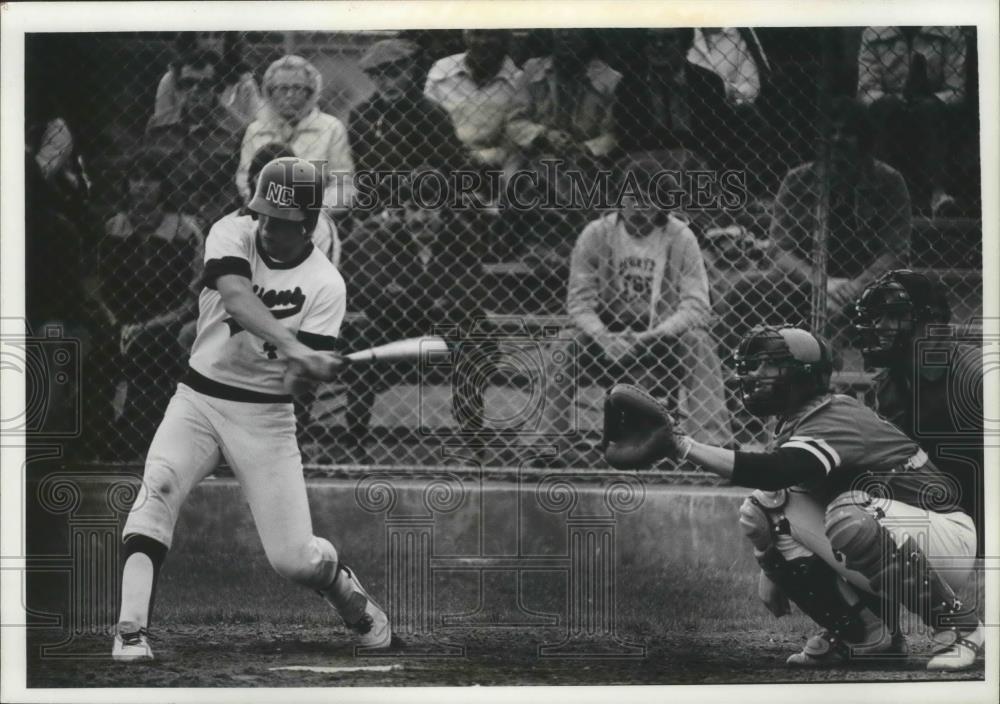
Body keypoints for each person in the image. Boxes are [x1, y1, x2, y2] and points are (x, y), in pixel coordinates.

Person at [111, 157, 391, 662]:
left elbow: (290, 383)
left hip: (266, 419)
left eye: (281, 223)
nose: (266, 227)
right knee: (159, 487)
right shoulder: (231, 231)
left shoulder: (326, 284)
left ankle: (345, 589)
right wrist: (296, 344)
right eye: (262, 214)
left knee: (294, 561)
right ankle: (130, 630)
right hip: (198, 398)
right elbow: (237, 298)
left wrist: (307, 367)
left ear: (307, 224)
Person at [602, 324, 983, 671]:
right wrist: (772, 567)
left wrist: (682, 445)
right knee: (761, 511)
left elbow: (776, 469)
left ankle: (962, 626)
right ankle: (869, 638)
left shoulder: (836, 414)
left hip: (942, 534)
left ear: (804, 374)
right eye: (753, 365)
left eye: (770, 365)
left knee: (847, 516)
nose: (755, 375)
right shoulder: (797, 422)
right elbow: (773, 489)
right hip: (891, 530)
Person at [539, 156, 733, 464]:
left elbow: (696, 304)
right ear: (619, 197)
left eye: (649, 197)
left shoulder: (680, 237)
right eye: (633, 196)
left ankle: (714, 447)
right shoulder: (596, 234)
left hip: (663, 337)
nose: (640, 205)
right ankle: (547, 446)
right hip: (607, 336)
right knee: (565, 342)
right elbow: (579, 302)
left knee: (699, 341)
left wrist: (656, 334)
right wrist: (602, 336)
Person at [339, 167, 489, 459]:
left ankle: (472, 436)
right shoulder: (385, 240)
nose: (420, 219)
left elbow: (470, 298)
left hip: (447, 331)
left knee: (477, 338)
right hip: (394, 327)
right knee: (362, 338)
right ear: (402, 211)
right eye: (413, 209)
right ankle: (355, 439)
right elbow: (374, 298)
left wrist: (408, 298)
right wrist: (431, 300)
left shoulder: (462, 240)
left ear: (444, 212)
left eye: (430, 210)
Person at [853, 269, 984, 555]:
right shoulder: (890, 383)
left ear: (931, 321)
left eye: (891, 316)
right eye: (876, 316)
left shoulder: (975, 376)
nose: (879, 326)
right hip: (949, 523)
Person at [766, 96, 911, 340]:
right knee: (746, 288)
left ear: (863, 139)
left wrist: (853, 289)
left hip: (868, 289)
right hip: (804, 287)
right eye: (830, 132)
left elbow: (896, 253)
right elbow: (779, 250)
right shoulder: (797, 180)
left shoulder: (890, 182)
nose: (836, 140)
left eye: (847, 133)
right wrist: (821, 284)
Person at [91, 150, 204, 454]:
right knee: (99, 345)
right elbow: (99, 286)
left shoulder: (186, 231)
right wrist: (116, 323)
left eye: (150, 178)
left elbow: (194, 296)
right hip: (119, 320)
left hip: (168, 320)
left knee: (149, 347)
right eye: (135, 178)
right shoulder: (113, 227)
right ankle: (97, 433)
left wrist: (146, 326)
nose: (141, 186)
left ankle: (138, 436)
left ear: (164, 185)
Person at [504, 29, 622, 263]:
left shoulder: (611, 80)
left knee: (577, 177)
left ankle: (574, 247)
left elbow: (615, 133)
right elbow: (514, 121)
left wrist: (588, 147)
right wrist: (543, 134)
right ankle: (540, 245)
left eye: (575, 29)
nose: (565, 35)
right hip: (535, 156)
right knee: (537, 171)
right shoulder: (532, 71)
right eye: (560, 28)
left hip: (587, 162)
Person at [857, 26, 967, 216]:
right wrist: (890, 100)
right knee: (886, 110)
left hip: (933, 105)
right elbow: (866, 90)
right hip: (889, 105)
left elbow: (956, 90)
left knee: (929, 110)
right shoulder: (874, 32)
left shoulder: (949, 31)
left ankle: (938, 195)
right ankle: (884, 194)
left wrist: (934, 100)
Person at [349, 38, 467, 215]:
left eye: (394, 74)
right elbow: (358, 171)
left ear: (410, 71)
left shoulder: (431, 114)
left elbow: (449, 170)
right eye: (379, 77)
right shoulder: (361, 115)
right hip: (374, 206)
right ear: (371, 77)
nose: (388, 84)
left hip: (422, 208)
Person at [237, 55, 354, 211]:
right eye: (283, 88)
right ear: (270, 92)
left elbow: (343, 185)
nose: (290, 95)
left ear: (310, 92)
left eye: (297, 88)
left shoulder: (331, 128)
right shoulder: (256, 130)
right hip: (265, 216)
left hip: (316, 217)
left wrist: (312, 211)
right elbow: (244, 179)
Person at [145, 48, 246, 227]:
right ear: (179, 87)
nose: (195, 90)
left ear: (218, 87)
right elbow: (150, 176)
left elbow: (236, 185)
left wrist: (208, 218)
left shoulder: (238, 130)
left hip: (220, 222)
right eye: (188, 83)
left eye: (204, 84)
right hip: (167, 220)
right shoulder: (158, 126)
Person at [612, 28, 736, 171]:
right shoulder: (630, 84)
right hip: (645, 160)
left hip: (694, 160)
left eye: (669, 39)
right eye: (651, 39)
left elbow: (711, 138)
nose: (658, 45)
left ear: (687, 45)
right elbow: (629, 138)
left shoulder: (707, 82)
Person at [424, 29, 522, 173]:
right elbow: (426, 121)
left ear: (505, 40)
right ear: (466, 37)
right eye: (477, 34)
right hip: (441, 159)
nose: (483, 42)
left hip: (493, 167)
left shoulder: (518, 81)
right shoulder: (441, 69)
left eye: (491, 35)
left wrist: (485, 157)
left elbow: (516, 137)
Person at [154, 32, 262, 127]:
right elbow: (160, 124)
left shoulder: (245, 83)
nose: (211, 43)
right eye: (204, 36)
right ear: (192, 40)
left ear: (228, 41)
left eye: (218, 36)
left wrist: (221, 110)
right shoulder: (170, 79)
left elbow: (255, 129)